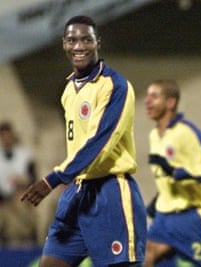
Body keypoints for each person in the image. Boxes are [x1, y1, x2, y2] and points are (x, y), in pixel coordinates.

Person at [20, 15, 146, 267]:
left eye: (86, 39)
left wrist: (53, 179)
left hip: (109, 194)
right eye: (72, 40)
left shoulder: (115, 86)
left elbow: (99, 144)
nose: (79, 46)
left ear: (97, 42)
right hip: (76, 193)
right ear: (64, 45)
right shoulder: (69, 90)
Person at [143, 79, 201, 267]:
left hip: (192, 217)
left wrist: (176, 172)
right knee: (146, 254)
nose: (147, 101)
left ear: (171, 102)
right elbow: (164, 179)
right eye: (147, 96)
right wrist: (157, 202)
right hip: (165, 217)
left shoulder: (187, 132)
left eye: (154, 96)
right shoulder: (153, 136)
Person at [0, 121, 37, 202]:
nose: (6, 139)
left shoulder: (25, 154)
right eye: (3, 136)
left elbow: (33, 178)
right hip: (4, 201)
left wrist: (21, 182)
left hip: (23, 197)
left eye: (8, 135)